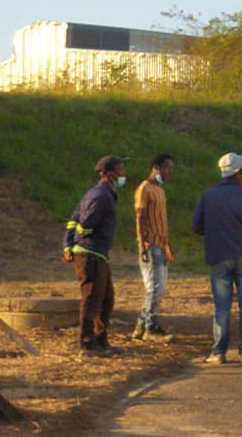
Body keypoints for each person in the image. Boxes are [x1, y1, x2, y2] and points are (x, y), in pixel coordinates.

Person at [63, 155, 127, 357]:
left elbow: (74, 217)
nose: (123, 173)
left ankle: (101, 339)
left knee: (106, 299)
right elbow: (85, 223)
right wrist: (77, 241)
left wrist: (68, 243)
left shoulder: (102, 192)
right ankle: (87, 342)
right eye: (120, 169)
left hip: (98, 253)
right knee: (92, 298)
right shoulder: (100, 195)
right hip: (90, 253)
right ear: (109, 173)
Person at [191, 152, 242, 363]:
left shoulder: (207, 195)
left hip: (218, 256)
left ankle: (219, 351)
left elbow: (197, 227)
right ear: (239, 173)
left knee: (222, 305)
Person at [132, 152, 175, 339]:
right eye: (167, 168)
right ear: (155, 168)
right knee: (155, 288)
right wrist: (142, 244)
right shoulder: (144, 189)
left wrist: (167, 244)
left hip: (160, 244)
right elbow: (139, 218)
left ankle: (141, 327)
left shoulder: (160, 190)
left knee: (159, 288)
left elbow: (161, 220)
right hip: (150, 244)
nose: (169, 172)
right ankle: (150, 328)